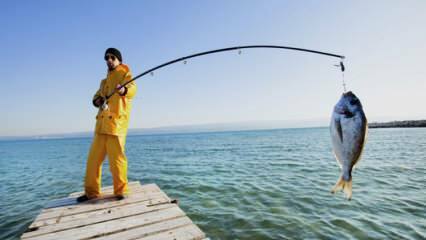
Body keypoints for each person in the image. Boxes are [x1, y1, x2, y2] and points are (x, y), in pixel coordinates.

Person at [77, 48, 137, 202]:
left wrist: (123, 89)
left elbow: (132, 89)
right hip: (101, 127)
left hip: (116, 127)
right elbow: (96, 97)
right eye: (106, 58)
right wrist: (98, 100)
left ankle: (121, 191)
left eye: (112, 57)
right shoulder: (103, 82)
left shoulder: (125, 74)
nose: (109, 60)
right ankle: (91, 192)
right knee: (92, 162)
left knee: (117, 161)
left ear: (119, 60)